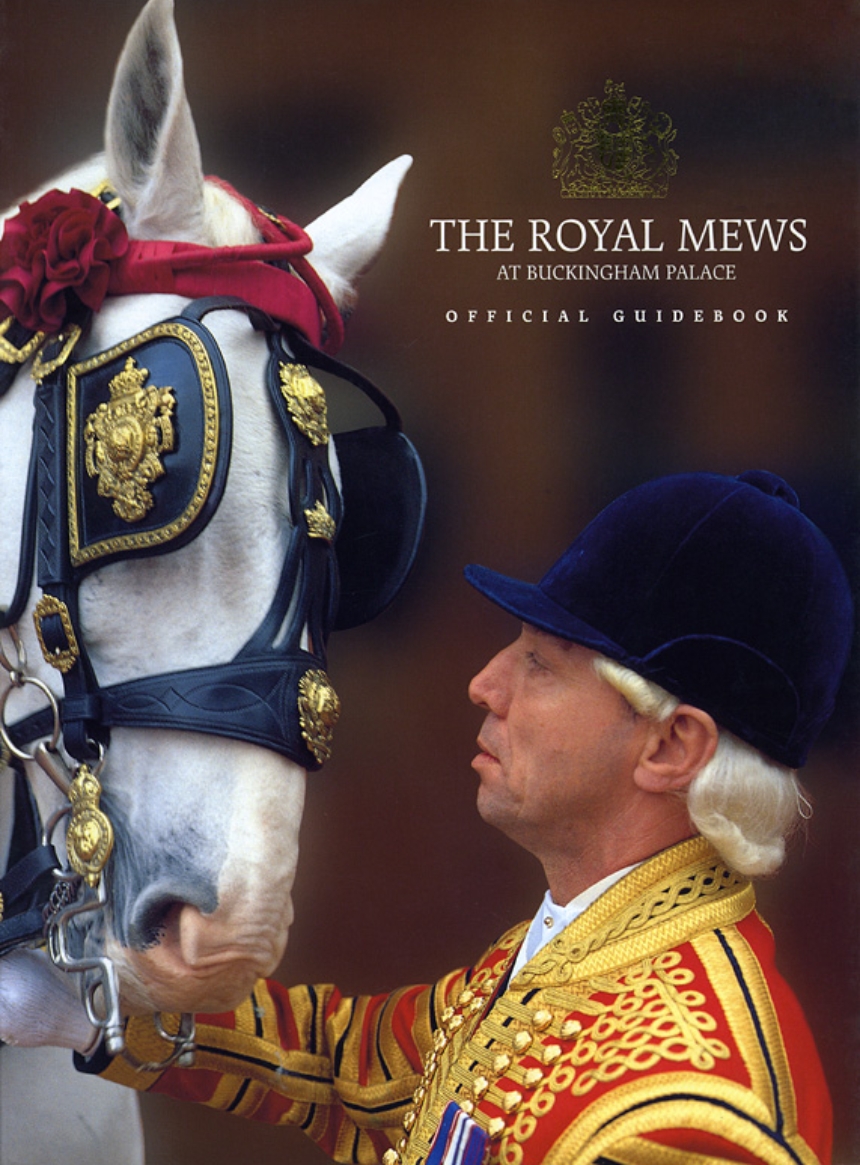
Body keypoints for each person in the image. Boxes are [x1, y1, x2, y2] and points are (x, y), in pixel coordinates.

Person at [4, 469, 854, 1165]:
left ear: (670, 746)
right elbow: (347, 1065)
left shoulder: (690, 1109)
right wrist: (87, 1002)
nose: (486, 683)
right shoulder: (570, 952)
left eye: (542, 663)